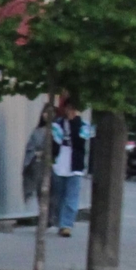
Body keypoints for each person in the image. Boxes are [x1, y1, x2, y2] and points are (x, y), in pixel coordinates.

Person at [50, 101, 91, 236]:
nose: (71, 111)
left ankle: (66, 225)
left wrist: (74, 123)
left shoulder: (83, 125)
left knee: (72, 196)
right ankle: (58, 220)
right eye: (69, 108)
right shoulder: (58, 124)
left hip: (75, 165)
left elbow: (80, 142)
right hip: (60, 162)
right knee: (59, 195)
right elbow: (55, 142)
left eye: (73, 109)